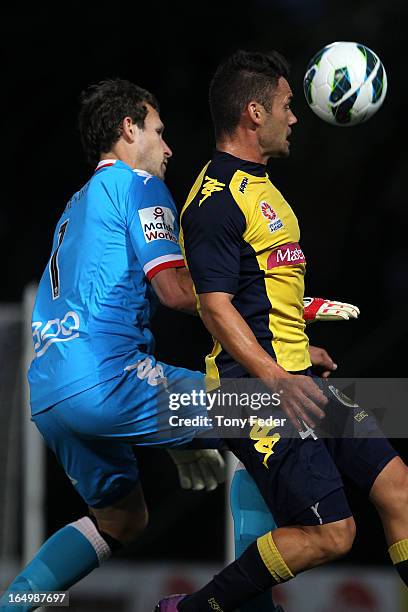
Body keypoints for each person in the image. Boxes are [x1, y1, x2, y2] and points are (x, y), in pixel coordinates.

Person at [156, 49, 408, 611]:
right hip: (253, 395)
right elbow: (216, 305)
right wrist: (273, 373)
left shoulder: (262, 186)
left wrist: (296, 343)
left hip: (291, 375)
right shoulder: (216, 199)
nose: (295, 117)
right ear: (253, 112)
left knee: (399, 487)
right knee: (333, 534)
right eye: (287, 106)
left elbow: (258, 292)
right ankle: (194, 609)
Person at [0, 79, 227, 612]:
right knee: (272, 409)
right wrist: (265, 308)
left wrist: (174, 430)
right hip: (108, 381)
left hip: (50, 394)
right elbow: (173, 291)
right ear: (129, 129)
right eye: (158, 131)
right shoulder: (138, 184)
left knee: (122, 520)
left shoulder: (74, 206)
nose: (168, 148)